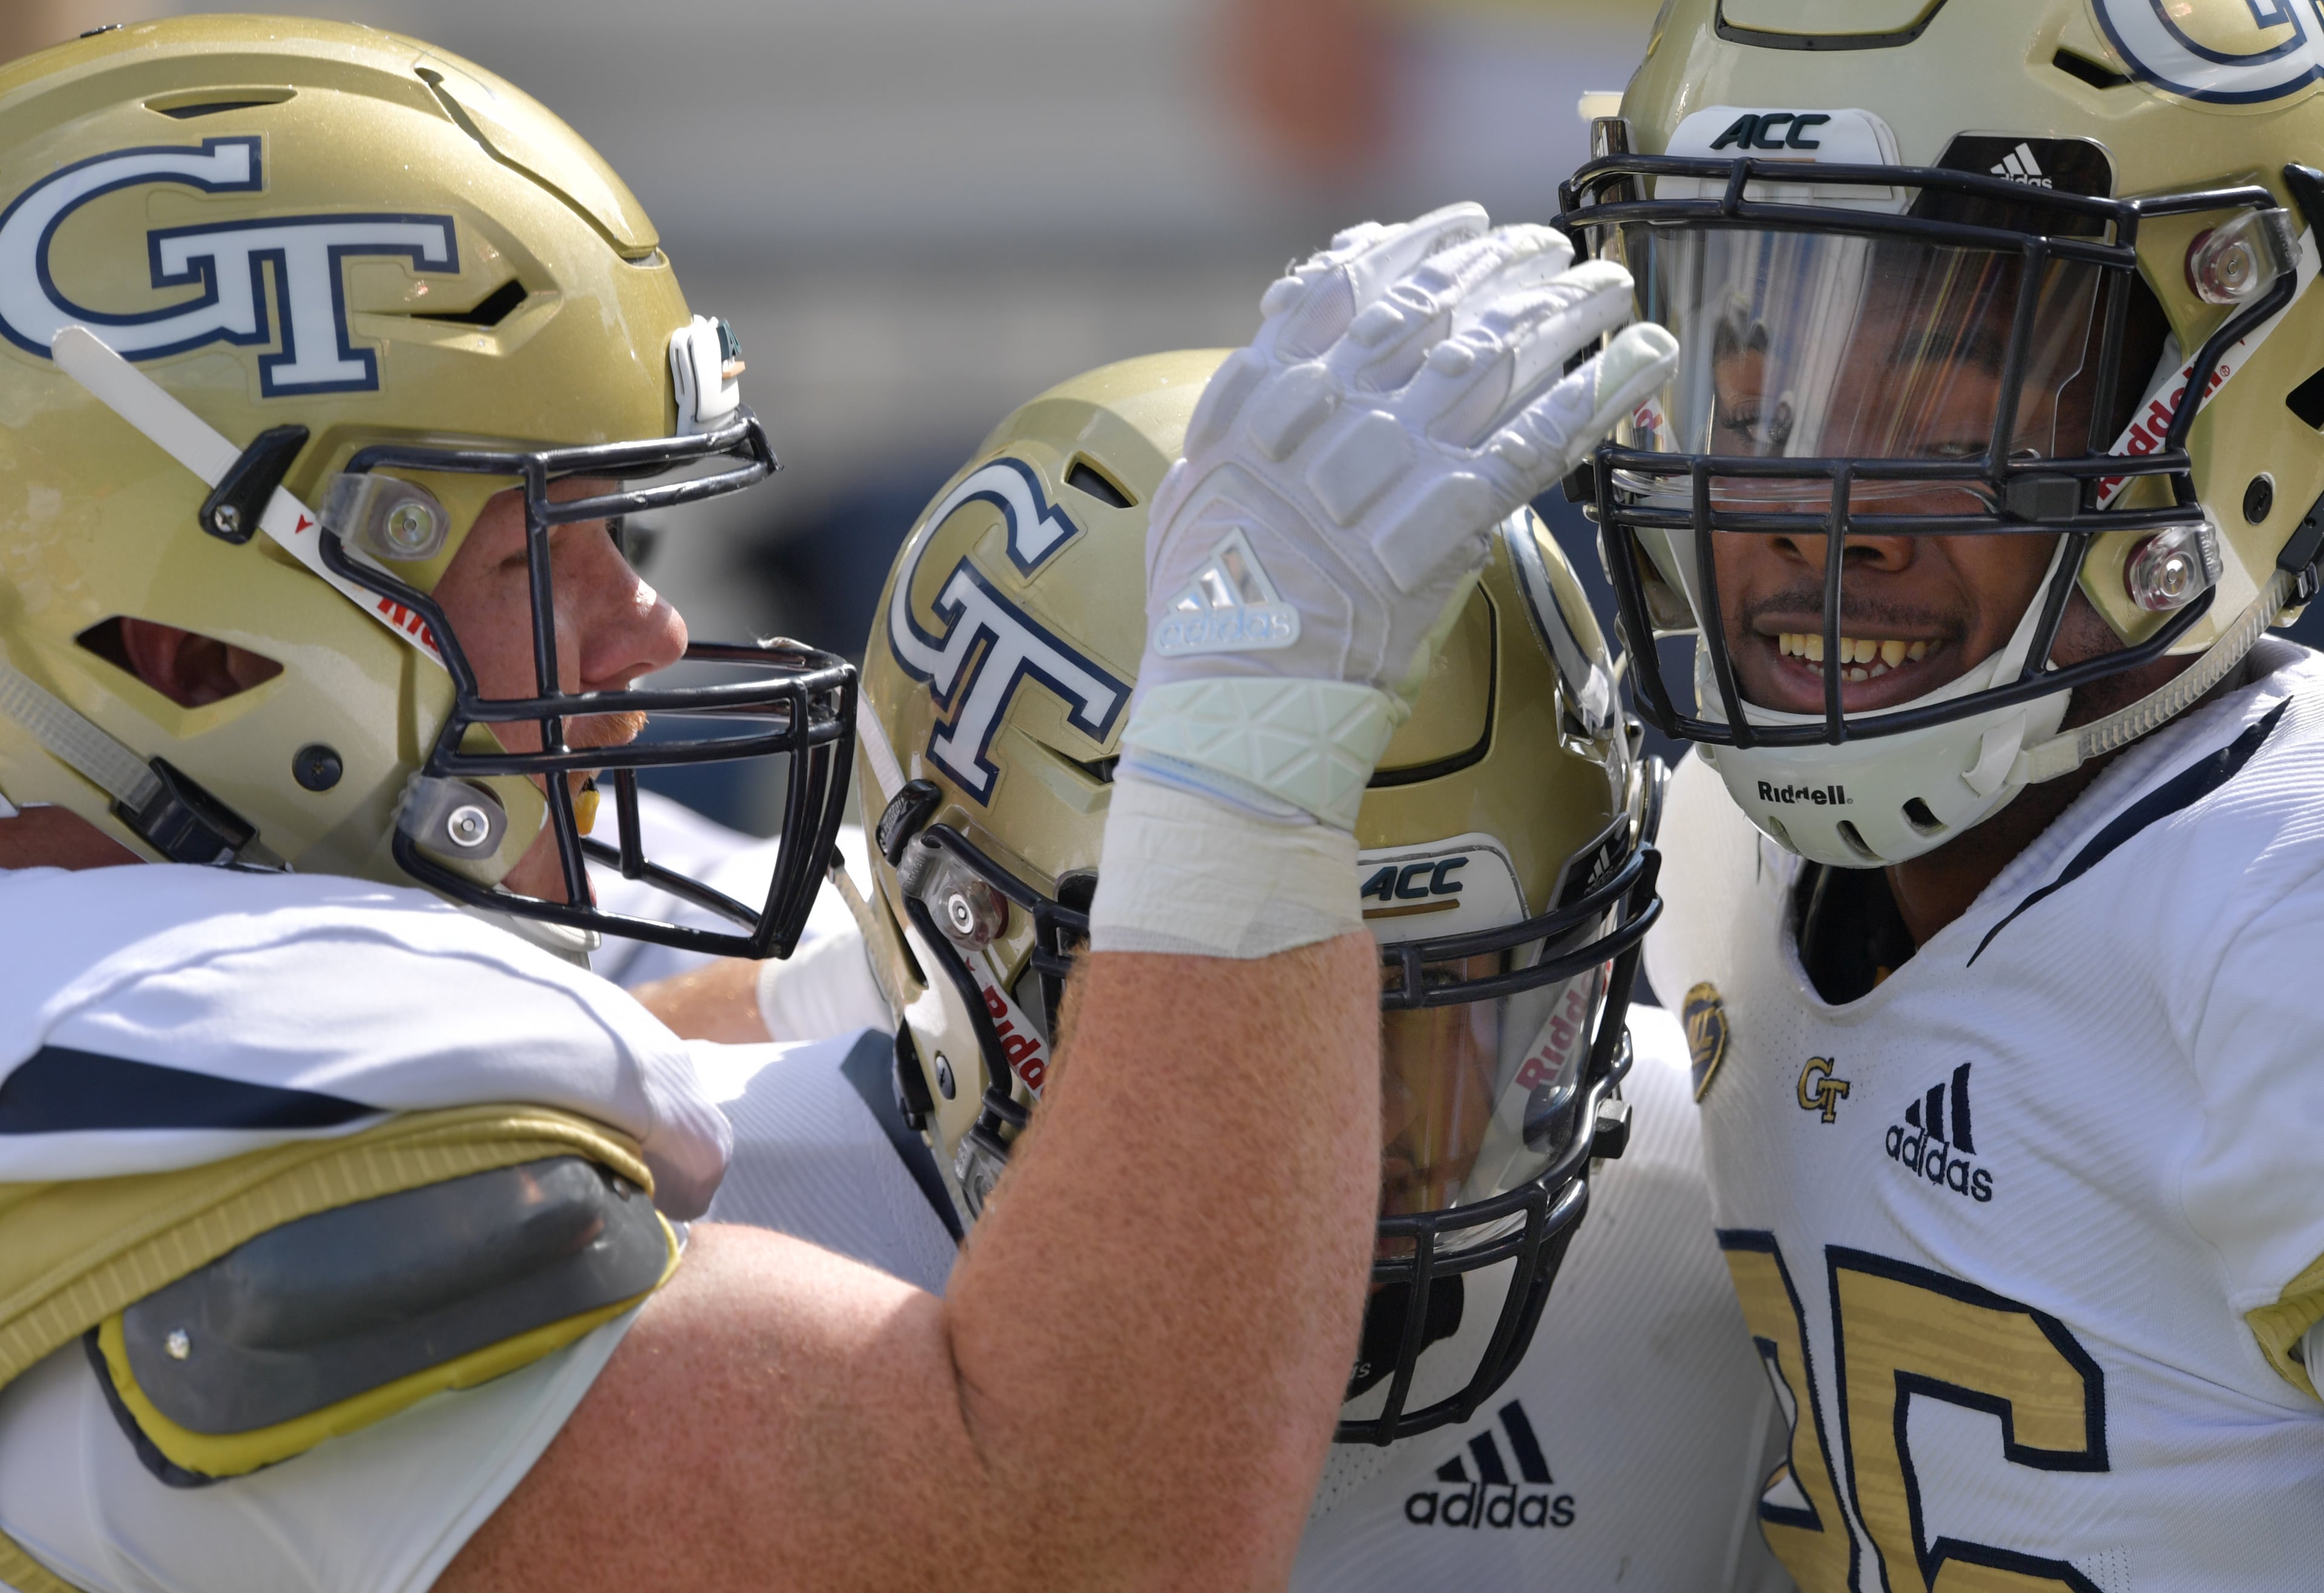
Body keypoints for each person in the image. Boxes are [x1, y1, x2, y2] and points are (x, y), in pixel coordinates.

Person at [0, 16, 1670, 1593]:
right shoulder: (174, 1043)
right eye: (540, 554)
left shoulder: (138, 944)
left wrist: (937, 974)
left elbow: (644, 1014)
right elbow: (1061, 1537)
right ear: (186, 648)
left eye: (624, 537)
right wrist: (1246, 761)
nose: (649, 631)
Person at [667, 347, 1794, 1588]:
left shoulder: (1734, 1224)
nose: (1357, 1129)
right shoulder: (710, 1226)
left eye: (1455, 1001)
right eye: (1239, 1007)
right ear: (961, 950)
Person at [1560, 0, 2324, 1585]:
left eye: (1949, 403)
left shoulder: (2279, 907)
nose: (1812, 510)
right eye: (1750, 390)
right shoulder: (1715, 859)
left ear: (2233, 368)